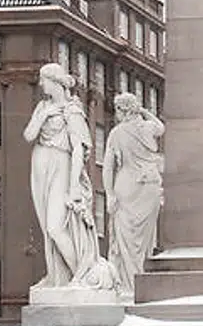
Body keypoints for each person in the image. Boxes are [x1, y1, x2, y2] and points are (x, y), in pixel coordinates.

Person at [24, 62, 115, 291]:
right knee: (47, 228)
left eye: (44, 79)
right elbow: (28, 135)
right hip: (40, 163)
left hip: (61, 164)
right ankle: (57, 275)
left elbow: (78, 150)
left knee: (56, 226)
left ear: (55, 81)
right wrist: (44, 114)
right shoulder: (43, 107)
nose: (41, 83)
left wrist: (74, 186)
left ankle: (81, 275)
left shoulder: (72, 111)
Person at [102, 92, 165, 297]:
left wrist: (110, 194)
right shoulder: (147, 127)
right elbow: (161, 127)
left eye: (118, 110)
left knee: (126, 238)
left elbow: (107, 168)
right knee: (145, 240)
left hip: (126, 185)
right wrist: (146, 112)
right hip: (149, 185)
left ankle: (128, 286)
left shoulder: (116, 133)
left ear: (123, 110)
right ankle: (141, 281)